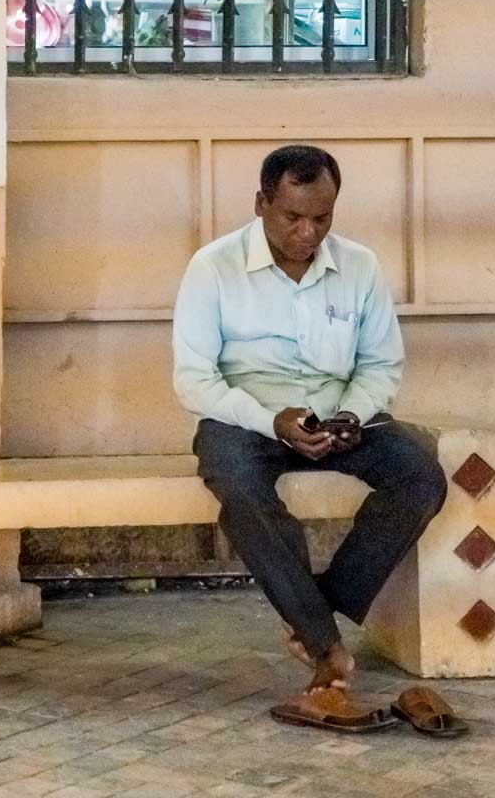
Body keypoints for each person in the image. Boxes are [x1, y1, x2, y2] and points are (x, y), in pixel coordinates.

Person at [172, 144, 447, 697]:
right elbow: (194, 380)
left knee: (421, 478)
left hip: (339, 414)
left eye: (321, 218)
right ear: (260, 203)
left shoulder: (360, 267)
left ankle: (316, 606)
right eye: (292, 217)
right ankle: (324, 645)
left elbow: (379, 365)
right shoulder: (213, 268)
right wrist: (272, 419)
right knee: (242, 493)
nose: (307, 233)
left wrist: (350, 414)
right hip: (243, 420)